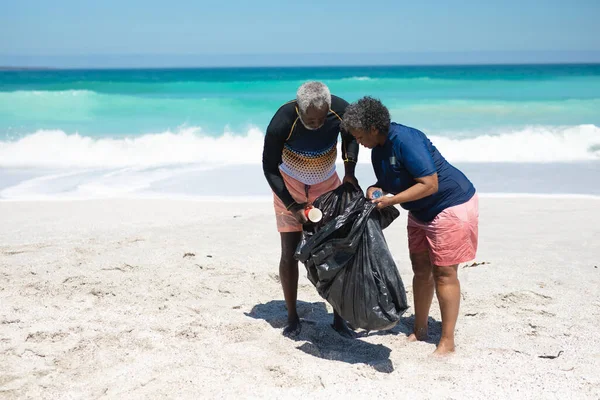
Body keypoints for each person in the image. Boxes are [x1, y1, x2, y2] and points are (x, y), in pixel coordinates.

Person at [341, 96, 479, 355]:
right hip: (419, 210)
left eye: (359, 136)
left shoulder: (405, 139)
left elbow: (430, 183)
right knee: (420, 269)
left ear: (372, 128)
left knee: (444, 273)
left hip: (451, 204)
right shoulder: (378, 148)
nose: (357, 141)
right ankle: (420, 328)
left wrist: (392, 201)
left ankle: (447, 341)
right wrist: (375, 190)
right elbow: (387, 181)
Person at [262, 81, 359, 338]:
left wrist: (349, 172)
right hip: (289, 188)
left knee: (335, 250)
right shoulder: (283, 120)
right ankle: (292, 317)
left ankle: (339, 317)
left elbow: (351, 138)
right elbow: (269, 167)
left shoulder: (340, 110)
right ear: (299, 109)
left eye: (321, 119)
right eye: (310, 120)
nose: (316, 124)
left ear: (328, 108)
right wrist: (292, 206)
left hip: (327, 186)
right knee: (290, 252)